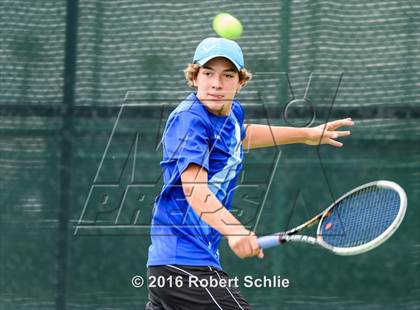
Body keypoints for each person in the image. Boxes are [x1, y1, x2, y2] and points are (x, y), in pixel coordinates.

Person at [146, 37, 354, 310]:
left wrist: (306, 134)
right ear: (195, 77)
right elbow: (194, 189)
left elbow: (240, 135)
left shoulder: (231, 113)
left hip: (177, 264)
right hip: (183, 264)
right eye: (208, 73)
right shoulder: (189, 120)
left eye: (227, 75)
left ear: (240, 82)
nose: (216, 84)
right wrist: (235, 232)